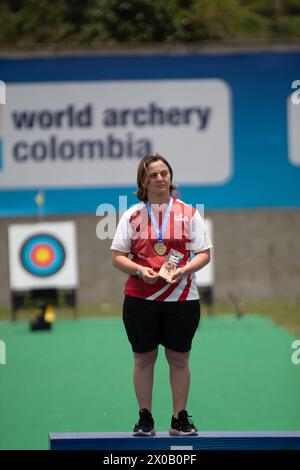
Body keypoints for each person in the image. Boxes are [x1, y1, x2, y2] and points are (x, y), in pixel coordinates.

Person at [111, 153, 212, 436]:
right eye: (153, 174)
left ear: (171, 178)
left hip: (182, 298)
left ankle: (179, 418)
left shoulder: (189, 213)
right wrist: (140, 271)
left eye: (164, 173)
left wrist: (184, 270)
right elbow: (117, 256)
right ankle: (145, 417)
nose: (160, 178)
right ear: (143, 181)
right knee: (143, 358)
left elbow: (204, 254)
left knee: (179, 359)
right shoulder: (131, 215)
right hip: (140, 299)